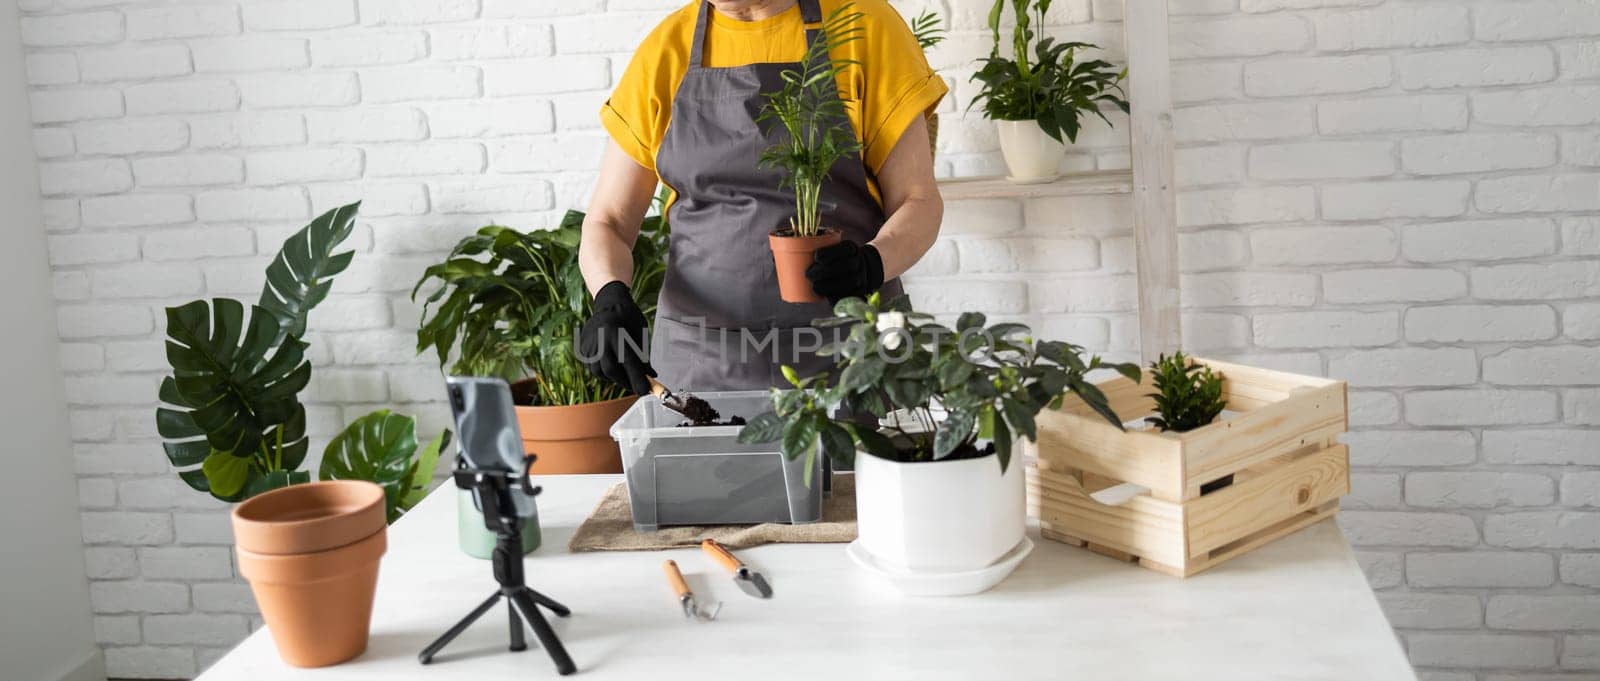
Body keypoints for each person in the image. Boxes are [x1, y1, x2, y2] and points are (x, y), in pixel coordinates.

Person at [578, 0, 945, 394]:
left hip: (851, 356)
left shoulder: (864, 27)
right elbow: (609, 221)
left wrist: (872, 263)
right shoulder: (668, 49)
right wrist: (610, 295)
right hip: (702, 363)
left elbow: (918, 199)